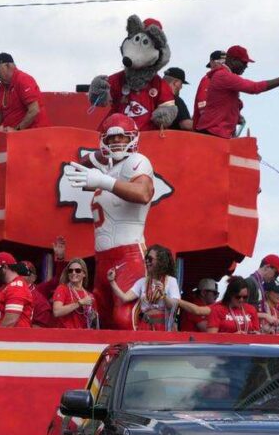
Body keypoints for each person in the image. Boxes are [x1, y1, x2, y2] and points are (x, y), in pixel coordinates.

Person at [65, 113, 155, 330]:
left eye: (122, 137)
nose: (116, 142)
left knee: (124, 319)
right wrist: (100, 162)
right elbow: (75, 166)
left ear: (132, 138)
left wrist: (103, 180)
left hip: (129, 256)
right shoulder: (110, 169)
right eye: (111, 138)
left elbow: (143, 193)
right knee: (99, 319)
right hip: (103, 259)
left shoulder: (137, 161)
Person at [195, 45, 279, 138]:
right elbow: (254, 88)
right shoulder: (223, 76)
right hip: (213, 133)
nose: (246, 66)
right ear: (233, 60)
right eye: (244, 62)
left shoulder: (223, 76)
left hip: (216, 133)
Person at [107, 244, 181, 331]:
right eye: (146, 258)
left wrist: (163, 295)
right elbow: (125, 297)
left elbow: (174, 306)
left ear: (160, 261)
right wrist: (112, 281)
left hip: (163, 326)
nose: (147, 261)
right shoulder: (142, 282)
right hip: (145, 326)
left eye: (150, 259)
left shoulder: (171, 281)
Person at [0, 53, 49, 132]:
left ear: (7, 66)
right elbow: (0, 112)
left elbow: (34, 110)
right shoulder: (2, 86)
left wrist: (17, 130)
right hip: (15, 138)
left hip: (34, 135)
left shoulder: (23, 79)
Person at [0, 252, 34, 327]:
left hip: (14, 337)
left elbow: (10, 320)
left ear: (5, 267)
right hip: (8, 336)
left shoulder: (16, 287)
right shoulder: (9, 286)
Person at [51, 258, 97, 329]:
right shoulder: (62, 289)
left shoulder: (90, 296)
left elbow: (94, 324)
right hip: (65, 335)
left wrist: (93, 316)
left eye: (77, 270)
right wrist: (79, 303)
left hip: (82, 336)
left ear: (84, 274)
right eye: (70, 270)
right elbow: (57, 312)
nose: (73, 273)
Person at [193, 50, 225, 128]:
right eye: (220, 62)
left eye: (225, 63)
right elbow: (202, 104)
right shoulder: (208, 79)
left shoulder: (225, 80)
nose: (223, 65)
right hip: (206, 130)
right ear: (212, 62)